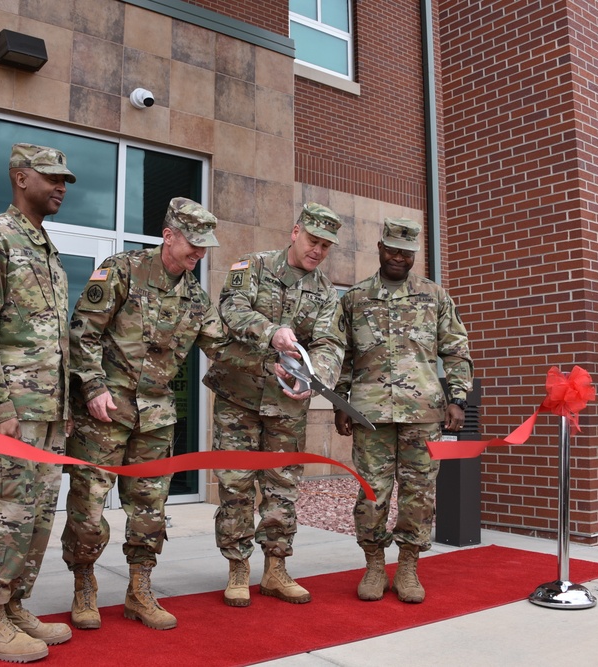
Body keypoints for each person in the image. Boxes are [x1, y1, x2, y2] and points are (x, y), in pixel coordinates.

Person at [63, 197, 231, 632]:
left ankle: (139, 590)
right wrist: (94, 386)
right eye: (192, 244)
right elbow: (82, 332)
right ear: (168, 235)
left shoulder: (195, 297)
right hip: (105, 413)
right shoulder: (122, 270)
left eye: (204, 246)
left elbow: (225, 350)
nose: (199, 253)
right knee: (88, 505)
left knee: (150, 508)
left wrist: (279, 360)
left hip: (155, 418)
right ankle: (84, 585)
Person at [0, 143, 75, 662]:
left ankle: (13, 604)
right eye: (51, 177)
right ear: (20, 177)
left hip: (47, 412)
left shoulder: (46, 248)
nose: (61, 187)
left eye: (65, 179)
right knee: (6, 510)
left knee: (38, 514)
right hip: (10, 412)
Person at [203, 202, 346, 608]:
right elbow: (230, 308)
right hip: (240, 396)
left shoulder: (325, 293)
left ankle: (276, 569)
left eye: (326, 246)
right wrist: (272, 332)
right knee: (236, 485)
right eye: (313, 240)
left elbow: (329, 344)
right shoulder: (254, 266)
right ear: (295, 232)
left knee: (282, 485)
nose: (318, 250)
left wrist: (315, 380)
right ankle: (237, 569)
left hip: (287, 403)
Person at [334, 217, 473, 604]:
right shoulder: (355, 297)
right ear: (379, 248)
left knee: (419, 493)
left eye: (406, 253)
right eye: (392, 250)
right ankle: (375, 564)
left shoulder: (435, 296)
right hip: (368, 414)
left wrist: (458, 399)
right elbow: (342, 354)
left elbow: (456, 349)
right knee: (371, 493)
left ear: (414, 254)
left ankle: (409, 565)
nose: (399, 258)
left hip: (423, 412)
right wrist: (340, 403)